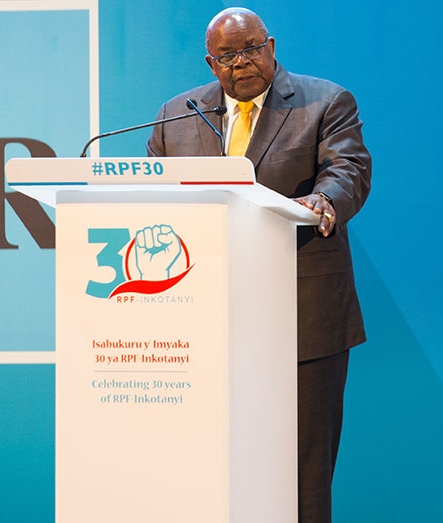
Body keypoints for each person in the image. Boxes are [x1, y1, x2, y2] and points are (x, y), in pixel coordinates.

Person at [147, 7, 371, 523]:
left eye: (251, 49)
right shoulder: (177, 114)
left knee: (302, 474)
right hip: (204, 321)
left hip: (303, 316)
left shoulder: (324, 102)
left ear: (270, 48)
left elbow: (348, 168)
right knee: (214, 469)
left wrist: (324, 200)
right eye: (227, 55)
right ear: (211, 63)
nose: (241, 61)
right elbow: (154, 194)